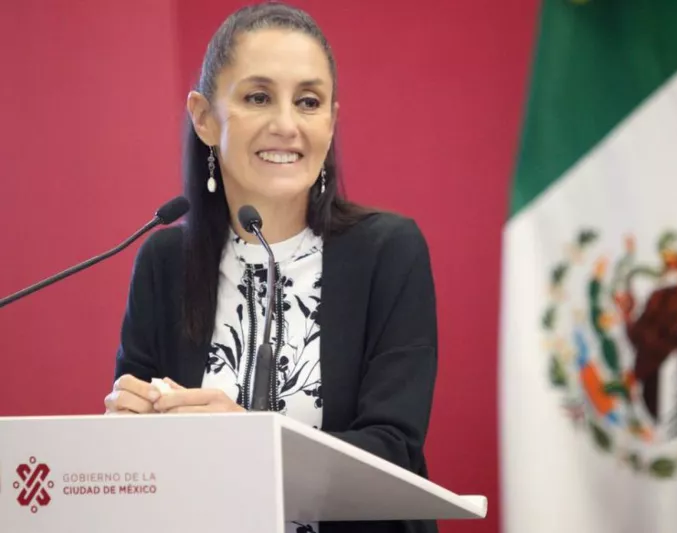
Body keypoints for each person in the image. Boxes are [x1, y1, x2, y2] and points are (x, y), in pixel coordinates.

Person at [103, 3, 438, 533]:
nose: (287, 125)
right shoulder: (163, 262)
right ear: (204, 117)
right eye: (258, 97)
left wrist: (252, 440)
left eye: (309, 102)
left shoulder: (389, 251)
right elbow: (148, 475)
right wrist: (125, 433)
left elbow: (393, 453)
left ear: (331, 121)